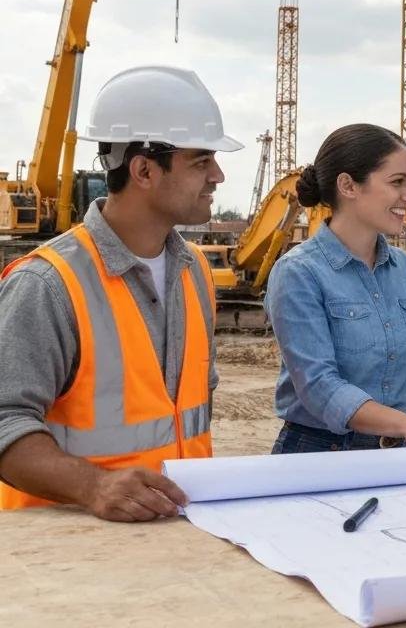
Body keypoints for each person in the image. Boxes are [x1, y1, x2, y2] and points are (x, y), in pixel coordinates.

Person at [0, 66, 241, 518]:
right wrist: (92, 485)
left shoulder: (195, 272)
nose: (218, 176)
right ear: (144, 170)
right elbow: (4, 419)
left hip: (177, 533)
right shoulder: (48, 284)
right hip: (69, 552)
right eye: (201, 160)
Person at [265, 124, 406, 474]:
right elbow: (319, 387)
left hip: (399, 453)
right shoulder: (299, 273)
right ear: (348, 186)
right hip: (318, 457)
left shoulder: (405, 269)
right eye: (397, 182)